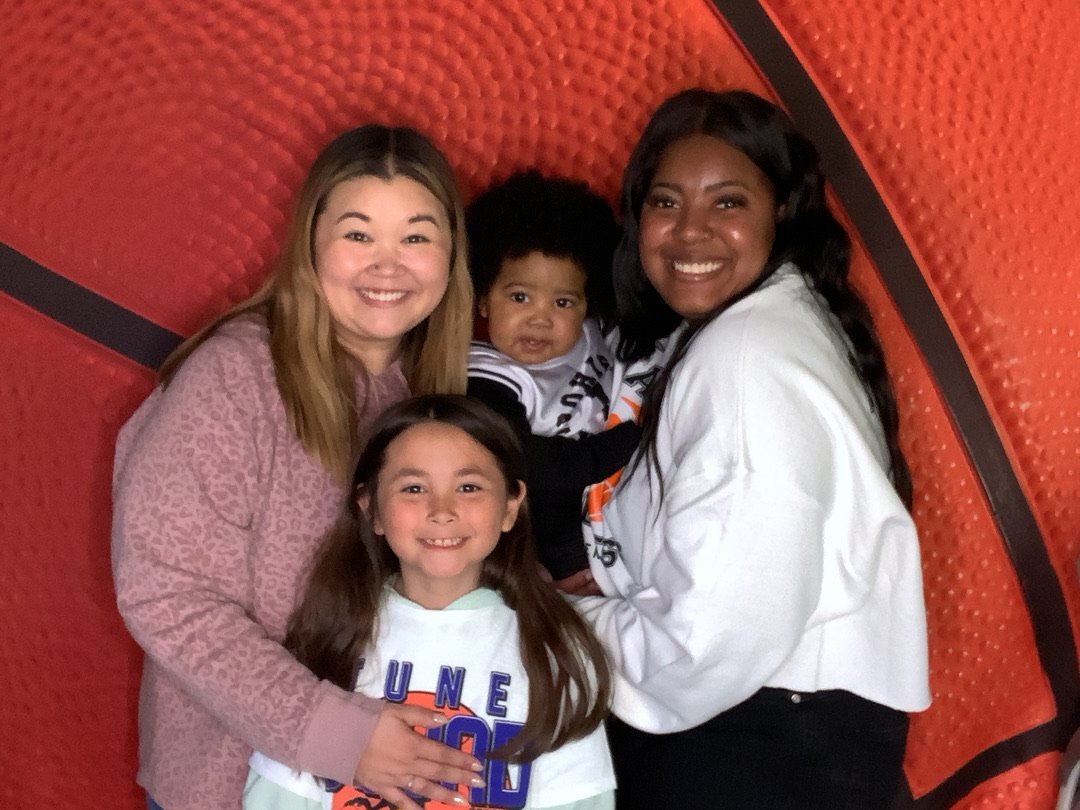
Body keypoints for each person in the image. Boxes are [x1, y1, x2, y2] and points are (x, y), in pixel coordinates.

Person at [574, 89, 932, 808]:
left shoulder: (744, 360)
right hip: (786, 731)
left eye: (728, 203)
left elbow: (708, 640)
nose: (690, 233)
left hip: (752, 742)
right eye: (666, 203)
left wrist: (557, 623)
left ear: (782, 213)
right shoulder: (771, 319)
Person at [111, 124, 482, 810]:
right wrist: (334, 734)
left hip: (386, 788)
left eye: (417, 236)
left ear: (451, 254)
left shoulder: (438, 394)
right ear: (312, 245)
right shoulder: (236, 376)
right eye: (359, 233)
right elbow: (168, 596)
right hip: (232, 787)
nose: (388, 264)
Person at [243, 394, 616, 809]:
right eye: (414, 488)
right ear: (371, 508)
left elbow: (582, 800)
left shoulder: (556, 648)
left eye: (468, 487)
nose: (442, 510)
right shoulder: (330, 635)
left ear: (511, 505)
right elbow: (278, 796)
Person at [465, 170, 639, 591]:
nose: (540, 318)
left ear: (586, 304)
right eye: (519, 296)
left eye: (562, 301)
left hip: (626, 507)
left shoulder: (593, 332)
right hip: (562, 548)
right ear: (484, 298)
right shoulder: (488, 376)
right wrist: (628, 444)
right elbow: (529, 468)